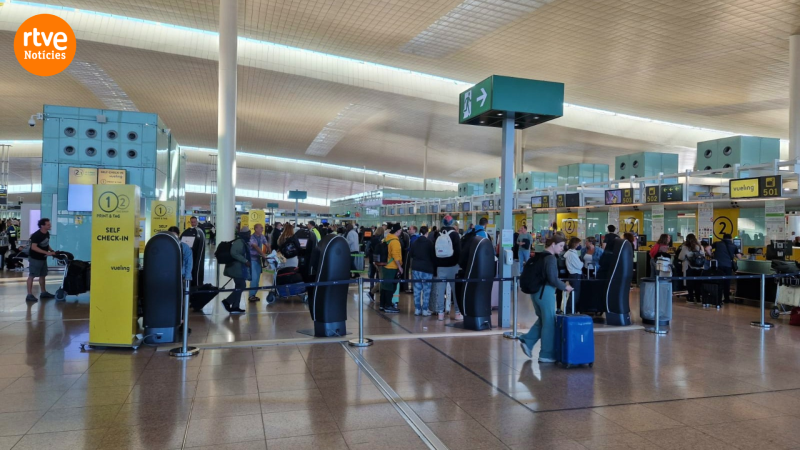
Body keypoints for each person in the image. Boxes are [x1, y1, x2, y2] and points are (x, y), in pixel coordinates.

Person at [519, 231, 572, 363]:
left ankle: (528, 341)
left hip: (536, 293)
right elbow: (553, 279)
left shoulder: (538, 256)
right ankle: (546, 354)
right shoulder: (550, 258)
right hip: (545, 292)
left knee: (543, 319)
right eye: (560, 246)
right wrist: (565, 287)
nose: (561, 249)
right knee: (549, 322)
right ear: (553, 244)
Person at [432, 215, 462, 321]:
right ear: (452, 223)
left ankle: (440, 313)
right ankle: (458, 313)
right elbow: (458, 252)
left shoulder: (437, 234)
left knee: (440, 291)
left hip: (440, 267)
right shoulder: (455, 235)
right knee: (456, 291)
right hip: (453, 267)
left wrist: (436, 266)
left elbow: (434, 252)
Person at [26, 218, 56, 302]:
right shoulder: (36, 235)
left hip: (43, 258)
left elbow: (46, 243)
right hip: (35, 258)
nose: (50, 226)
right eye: (48, 225)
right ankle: (29, 294)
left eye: (49, 224)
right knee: (32, 276)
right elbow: (33, 247)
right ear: (42, 226)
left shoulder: (46, 233)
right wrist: (47, 252)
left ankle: (43, 292)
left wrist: (51, 250)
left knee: (43, 275)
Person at [222, 226, 251, 314]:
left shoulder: (243, 241)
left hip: (239, 268)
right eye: (248, 234)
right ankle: (227, 302)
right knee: (242, 286)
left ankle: (235, 306)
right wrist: (245, 260)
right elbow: (234, 253)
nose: (250, 235)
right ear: (245, 234)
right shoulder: (239, 242)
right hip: (237, 268)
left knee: (239, 286)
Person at [409, 225, 435, 316]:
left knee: (417, 290)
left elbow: (411, 255)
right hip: (427, 269)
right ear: (427, 233)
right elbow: (433, 256)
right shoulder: (429, 243)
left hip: (416, 268)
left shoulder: (415, 242)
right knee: (426, 290)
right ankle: (425, 309)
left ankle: (417, 309)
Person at [712, 233, 744, 304]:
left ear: (723, 238)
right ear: (731, 239)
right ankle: (726, 299)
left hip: (718, 266)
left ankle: (718, 298)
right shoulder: (733, 246)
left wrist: (712, 255)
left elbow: (708, 248)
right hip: (728, 266)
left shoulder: (717, 243)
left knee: (719, 282)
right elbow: (739, 257)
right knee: (727, 283)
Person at [380, 223, 403, 313]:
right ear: (397, 231)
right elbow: (396, 256)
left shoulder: (386, 239)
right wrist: (400, 267)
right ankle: (388, 305)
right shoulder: (395, 242)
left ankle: (382, 304)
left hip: (385, 265)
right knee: (391, 287)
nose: (401, 232)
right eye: (400, 230)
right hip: (392, 267)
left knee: (385, 286)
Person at [678, 233, 704, 304]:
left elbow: (681, 257)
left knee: (690, 283)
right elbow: (703, 255)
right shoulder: (700, 246)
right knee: (698, 284)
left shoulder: (685, 247)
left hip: (689, 267)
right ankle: (698, 299)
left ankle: (691, 298)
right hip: (699, 268)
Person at [180, 216, 205, 287]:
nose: (193, 223)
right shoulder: (187, 231)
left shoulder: (200, 230)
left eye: (194, 222)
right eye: (192, 222)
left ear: (197, 221)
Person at [247, 224, 269, 302]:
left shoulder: (262, 236)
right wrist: (263, 255)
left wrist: (271, 252)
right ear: (256, 229)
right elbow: (256, 247)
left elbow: (266, 244)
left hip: (258, 259)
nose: (262, 229)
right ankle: (251, 295)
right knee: (254, 278)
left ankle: (253, 294)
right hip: (252, 260)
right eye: (261, 228)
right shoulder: (252, 238)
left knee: (257, 278)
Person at [564, 237, 583, 313]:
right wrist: (581, 262)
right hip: (575, 275)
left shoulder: (571, 253)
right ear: (575, 244)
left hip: (573, 275)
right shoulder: (571, 254)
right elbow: (579, 265)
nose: (579, 245)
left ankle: (572, 310)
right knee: (575, 294)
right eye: (578, 243)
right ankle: (570, 310)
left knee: (574, 294)